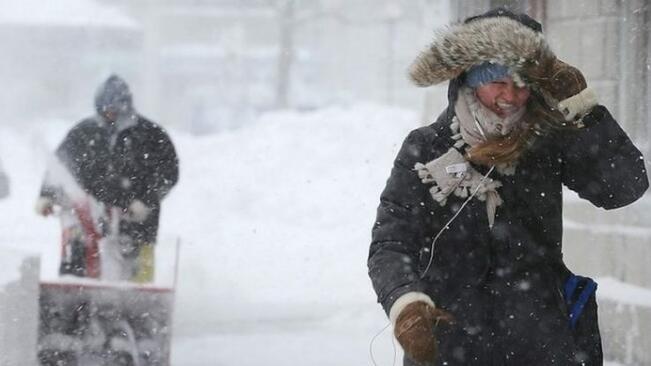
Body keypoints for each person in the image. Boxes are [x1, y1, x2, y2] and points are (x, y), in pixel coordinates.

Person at [368, 8, 648, 366]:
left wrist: (582, 106)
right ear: (470, 78)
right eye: (497, 82)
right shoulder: (427, 147)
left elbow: (625, 186)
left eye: (521, 83)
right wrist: (405, 303)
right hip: (449, 346)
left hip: (539, 343)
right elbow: (391, 242)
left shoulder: (548, 142)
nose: (511, 96)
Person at [36, 74, 179, 283]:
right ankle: (75, 298)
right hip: (92, 214)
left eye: (114, 108)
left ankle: (136, 308)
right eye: (105, 108)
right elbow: (60, 166)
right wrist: (47, 195)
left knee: (136, 275)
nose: (109, 113)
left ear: (126, 106)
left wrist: (146, 201)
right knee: (78, 254)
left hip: (138, 220)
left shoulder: (151, 135)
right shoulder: (84, 132)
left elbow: (168, 173)